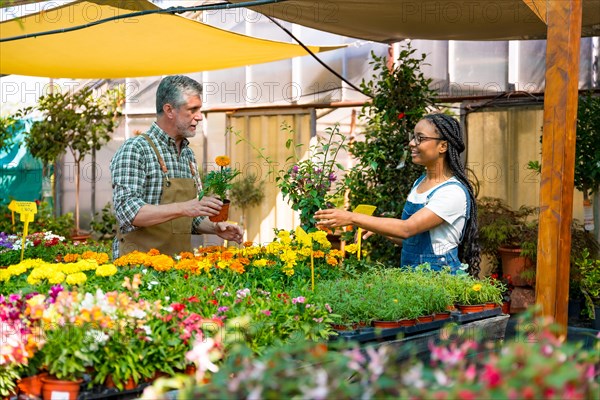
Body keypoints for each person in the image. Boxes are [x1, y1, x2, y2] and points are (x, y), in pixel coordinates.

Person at [315, 113, 480, 276]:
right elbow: (411, 240)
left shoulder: (452, 192)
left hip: (441, 279)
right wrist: (378, 227)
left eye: (420, 138)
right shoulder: (420, 183)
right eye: (413, 137)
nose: (411, 143)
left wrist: (351, 217)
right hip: (414, 278)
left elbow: (407, 229)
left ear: (442, 146)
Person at [110, 75, 243, 258]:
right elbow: (128, 212)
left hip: (178, 271)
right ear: (169, 110)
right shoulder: (136, 149)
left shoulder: (187, 154)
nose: (199, 117)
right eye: (192, 109)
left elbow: (191, 218)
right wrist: (186, 207)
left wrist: (215, 228)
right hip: (138, 271)